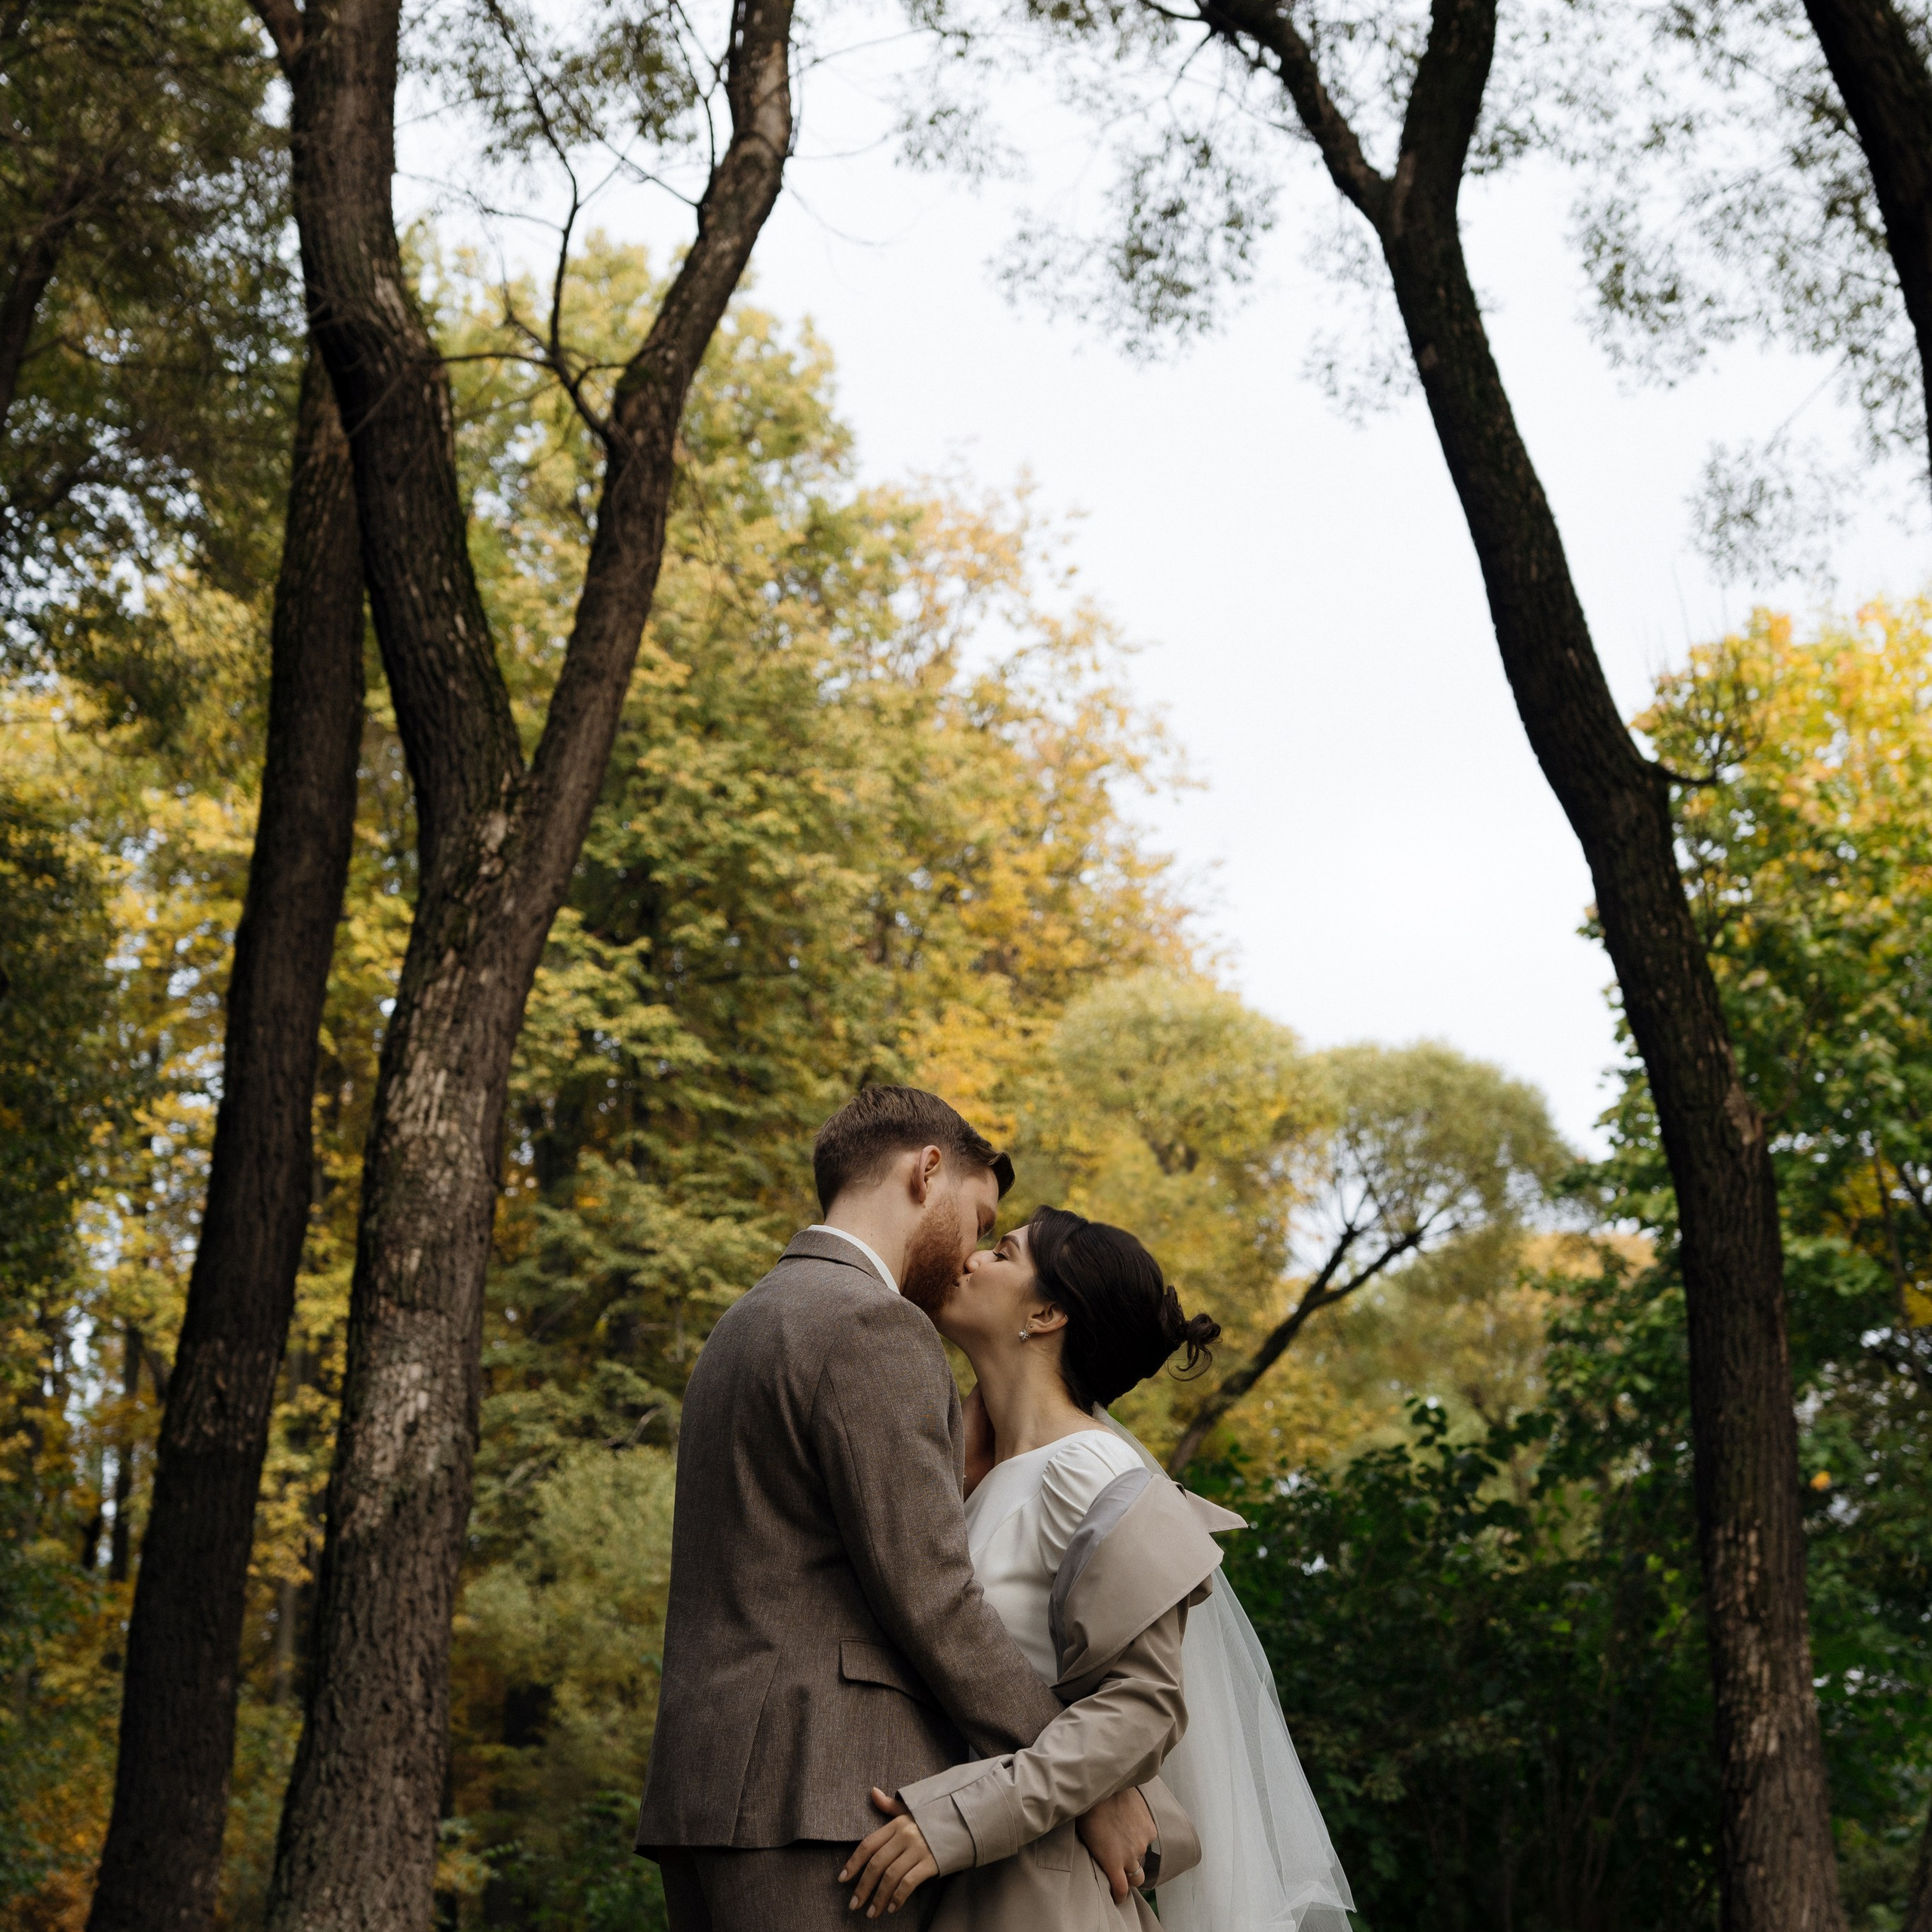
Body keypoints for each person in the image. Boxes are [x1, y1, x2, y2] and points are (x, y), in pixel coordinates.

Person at [634, 1089, 1171, 1931]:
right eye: (980, 1218)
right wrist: (1088, 1786)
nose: (970, 1252)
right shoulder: (872, 1324)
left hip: (705, 1793)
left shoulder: (743, 1322)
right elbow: (934, 1599)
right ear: (927, 1171)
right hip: (820, 1796)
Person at [838, 1206, 1356, 1932]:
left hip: (1034, 1899)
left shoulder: (1090, 1471)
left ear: (1047, 1312)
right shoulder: (983, 1472)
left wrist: (954, 1821)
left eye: (1004, 1252)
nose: (973, 1257)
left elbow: (1142, 1709)